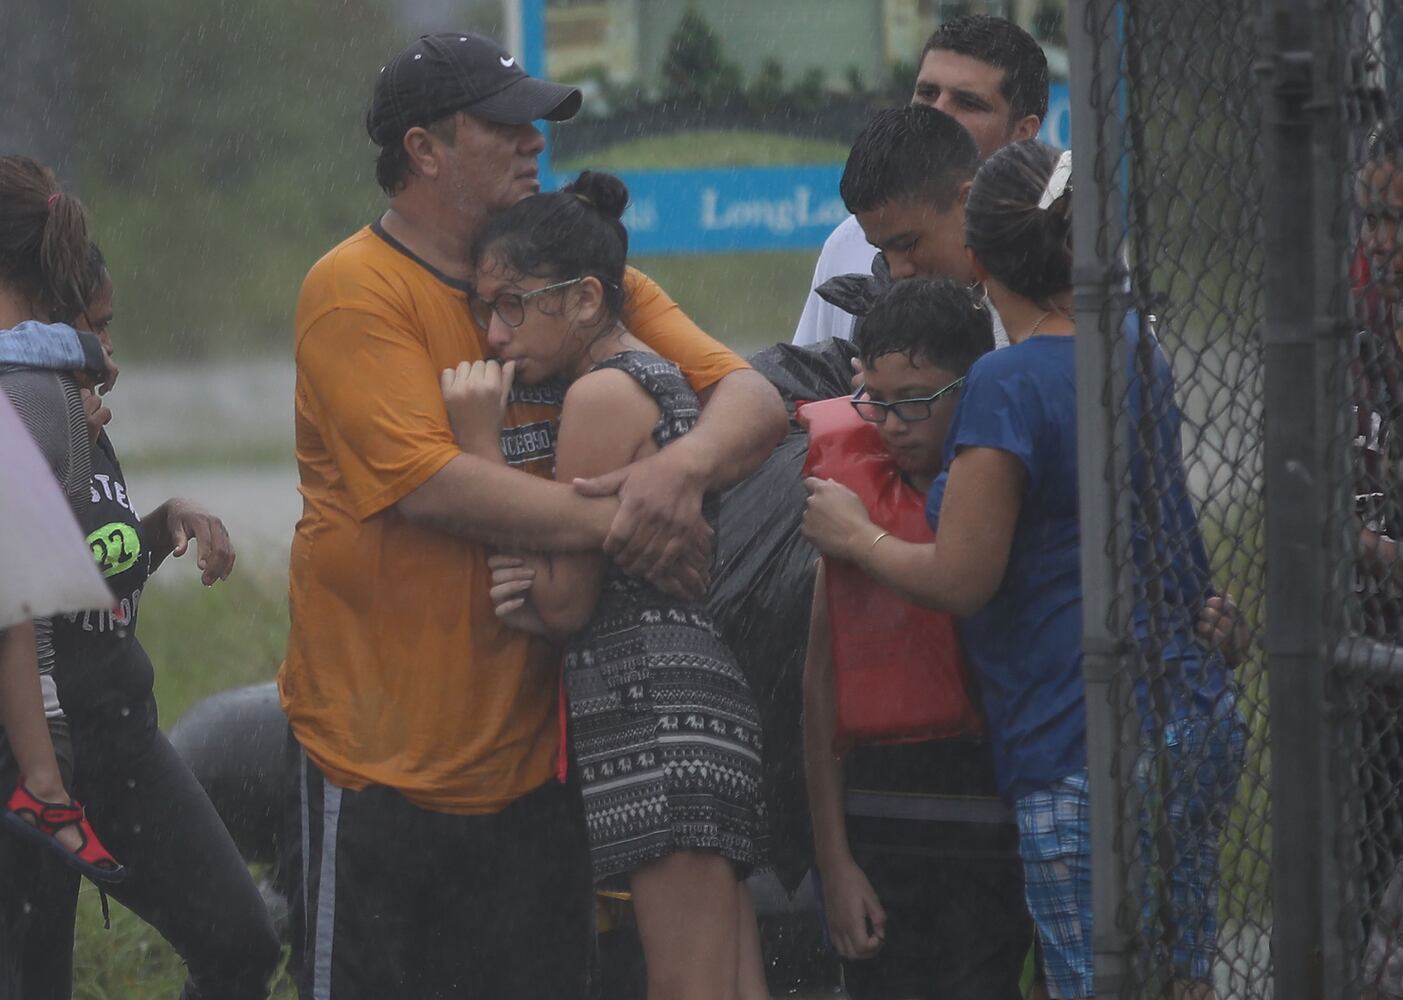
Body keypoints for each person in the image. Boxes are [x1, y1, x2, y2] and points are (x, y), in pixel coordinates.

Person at [281, 33, 786, 1000]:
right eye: (505, 126)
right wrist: (633, 525)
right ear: (424, 150)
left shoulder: (571, 271)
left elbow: (752, 397)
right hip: (379, 754)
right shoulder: (355, 289)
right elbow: (428, 484)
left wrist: (677, 473)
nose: (533, 142)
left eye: (537, 124)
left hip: (536, 760)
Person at [801, 142, 1244, 1000]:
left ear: (976, 256)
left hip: (1075, 738)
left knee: (1091, 983)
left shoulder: (1004, 379)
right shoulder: (1128, 347)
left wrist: (857, 537)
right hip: (1185, 717)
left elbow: (964, 578)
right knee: (1179, 977)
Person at [447, 169, 767, 1000]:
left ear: (586, 299)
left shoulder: (595, 396)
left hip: (648, 707)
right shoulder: (652, 374)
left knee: (686, 987)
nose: (492, 333)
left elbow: (564, 601)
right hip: (694, 700)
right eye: (486, 308)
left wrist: (480, 449)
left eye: (513, 303)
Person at [0, 157, 280, 999]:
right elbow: (16, 596)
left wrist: (159, 527)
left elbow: (79, 575)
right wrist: (41, 775)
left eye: (110, 328)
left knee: (241, 944)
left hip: (121, 736)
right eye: (90, 328)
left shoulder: (74, 410)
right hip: (26, 753)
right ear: (44, 316)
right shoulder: (34, 404)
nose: (108, 354)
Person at [801, 277, 1031, 999]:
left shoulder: (1015, 486)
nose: (893, 424)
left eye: (917, 401)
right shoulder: (843, 502)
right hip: (882, 825)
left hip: (996, 826)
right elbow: (817, 690)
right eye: (878, 401)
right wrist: (834, 866)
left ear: (975, 386)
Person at [792, 14, 1048, 347]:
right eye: (927, 93)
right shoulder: (849, 242)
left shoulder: (1065, 253)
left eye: (968, 103)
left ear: (1022, 134)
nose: (936, 112)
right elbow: (809, 389)